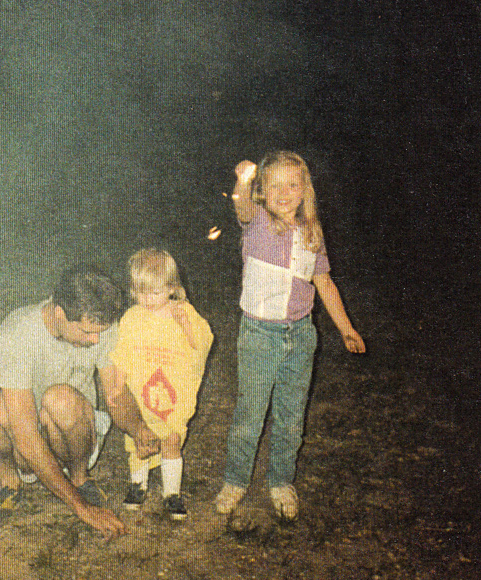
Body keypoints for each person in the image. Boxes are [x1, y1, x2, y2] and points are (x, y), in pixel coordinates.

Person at [216, 152, 366, 521]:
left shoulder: (311, 230)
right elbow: (242, 208)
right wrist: (244, 181)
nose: (284, 191)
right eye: (275, 184)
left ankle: (281, 482)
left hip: (300, 336)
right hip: (258, 335)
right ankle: (235, 480)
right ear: (264, 191)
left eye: (293, 184)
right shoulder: (258, 222)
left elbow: (324, 282)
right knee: (250, 414)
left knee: (290, 415)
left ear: (305, 190)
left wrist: (346, 329)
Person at [0, 264, 160, 540]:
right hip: (27, 442)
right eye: (86, 331)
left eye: (99, 332)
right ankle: (9, 483)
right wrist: (82, 510)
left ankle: (80, 478)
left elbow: (116, 395)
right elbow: (25, 435)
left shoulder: (102, 327)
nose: (95, 340)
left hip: (74, 432)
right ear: (59, 314)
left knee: (60, 399)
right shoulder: (19, 332)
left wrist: (138, 427)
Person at [109, 248, 213, 520]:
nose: (148, 299)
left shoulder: (184, 313)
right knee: (138, 441)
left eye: (154, 292)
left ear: (171, 288)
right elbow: (122, 354)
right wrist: (119, 387)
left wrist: (186, 326)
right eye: (141, 292)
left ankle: (172, 493)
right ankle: (138, 485)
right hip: (142, 392)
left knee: (171, 440)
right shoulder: (132, 318)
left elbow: (201, 345)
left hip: (173, 394)